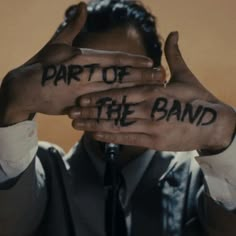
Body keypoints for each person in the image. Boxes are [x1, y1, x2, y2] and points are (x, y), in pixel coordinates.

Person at [0, 0, 235, 235]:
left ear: (158, 78)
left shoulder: (200, 174)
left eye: (125, 75)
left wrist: (223, 141)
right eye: (92, 77)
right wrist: (13, 113)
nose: (113, 96)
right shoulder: (42, 172)